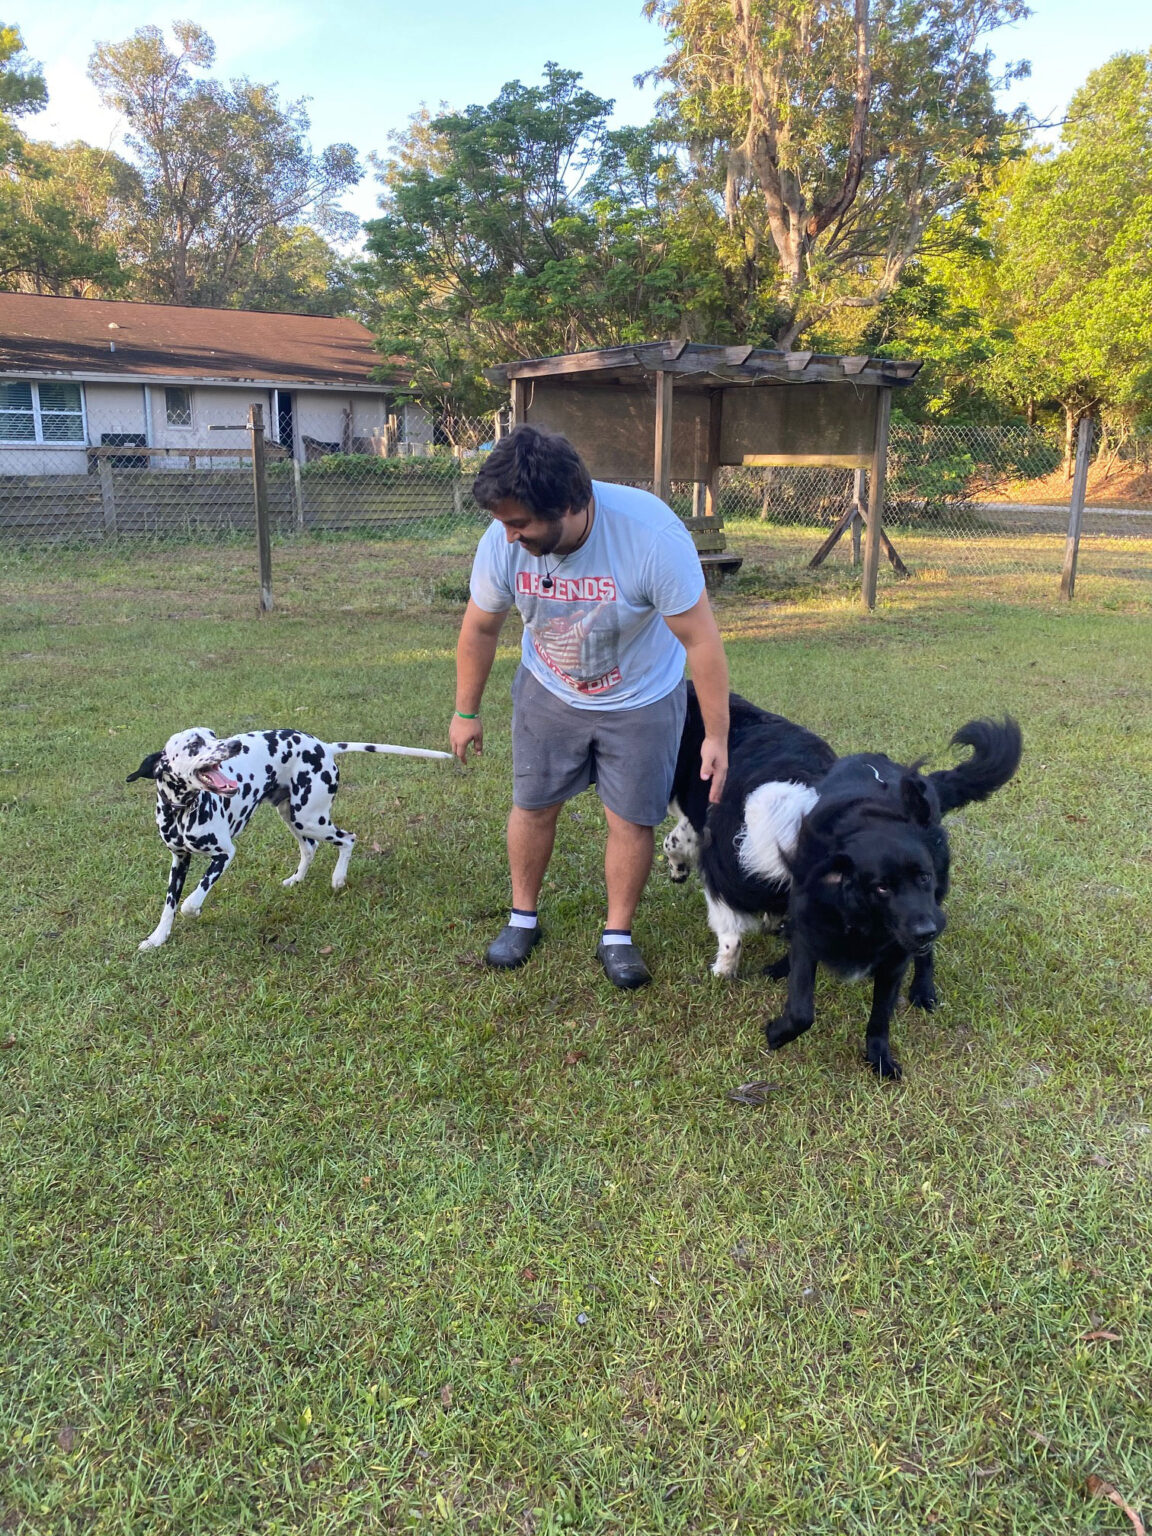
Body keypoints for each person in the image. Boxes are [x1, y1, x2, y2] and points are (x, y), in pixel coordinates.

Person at [449, 423, 730, 989]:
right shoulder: (501, 542)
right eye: (503, 522)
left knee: (631, 817)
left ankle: (618, 934)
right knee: (532, 804)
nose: (508, 537)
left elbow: (701, 639)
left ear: (571, 505)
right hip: (548, 691)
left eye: (520, 524)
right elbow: (480, 627)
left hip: (642, 698)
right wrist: (466, 711)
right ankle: (522, 916)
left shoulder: (650, 535)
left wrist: (717, 736)